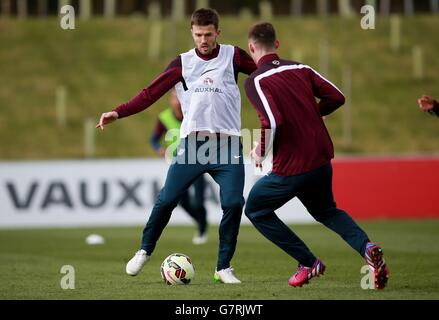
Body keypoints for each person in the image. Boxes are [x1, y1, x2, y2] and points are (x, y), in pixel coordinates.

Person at [96, 8, 257, 283]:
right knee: (167, 200)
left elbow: (264, 76)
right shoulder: (182, 63)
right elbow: (150, 93)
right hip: (193, 145)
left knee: (233, 202)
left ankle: (223, 267)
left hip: (228, 145)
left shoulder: (234, 55)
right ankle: (145, 250)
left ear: (218, 32)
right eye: (198, 35)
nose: (203, 40)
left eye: (208, 34)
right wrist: (118, 112)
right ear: (191, 33)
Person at [243, 22, 389, 289]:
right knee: (326, 210)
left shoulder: (256, 80)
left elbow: (272, 121)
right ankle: (368, 248)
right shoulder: (301, 68)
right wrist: (311, 115)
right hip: (320, 160)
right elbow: (337, 97)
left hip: (291, 168)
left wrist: (259, 150)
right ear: (277, 44)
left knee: (255, 209)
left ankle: (307, 262)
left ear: (251, 48)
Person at [150, 88, 208, 245]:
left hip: (197, 162)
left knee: (199, 200)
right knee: (182, 201)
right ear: (170, 100)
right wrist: (158, 149)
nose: (176, 100)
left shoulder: (192, 114)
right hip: (178, 164)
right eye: (173, 96)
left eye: (178, 96)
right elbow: (153, 139)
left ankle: (202, 230)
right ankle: (201, 222)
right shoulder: (164, 117)